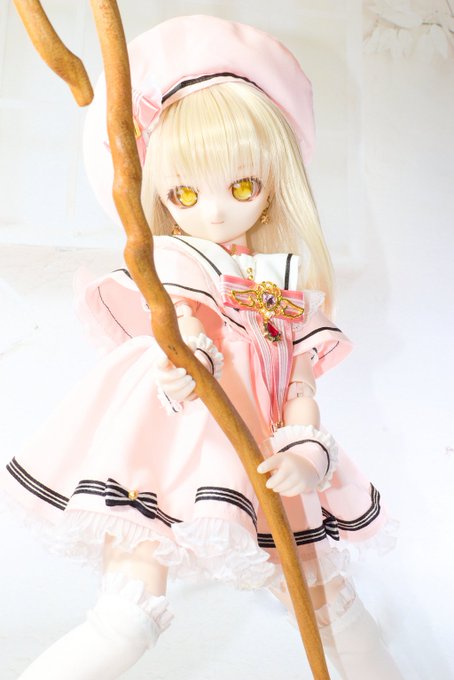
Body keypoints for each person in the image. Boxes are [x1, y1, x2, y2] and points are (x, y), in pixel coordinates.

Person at [2, 15, 402, 680]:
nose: (213, 212)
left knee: (334, 607)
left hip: (259, 457)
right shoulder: (169, 262)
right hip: (170, 451)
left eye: (241, 186)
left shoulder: (272, 285)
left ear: (273, 185)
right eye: (185, 193)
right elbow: (167, 334)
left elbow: (295, 379)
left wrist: (309, 449)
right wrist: (179, 359)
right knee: (126, 617)